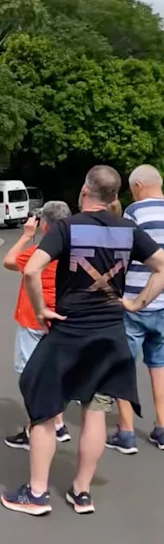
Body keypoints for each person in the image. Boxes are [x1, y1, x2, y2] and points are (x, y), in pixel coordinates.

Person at [1, 165, 164, 517]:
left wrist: (41, 309)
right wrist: (136, 303)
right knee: (95, 412)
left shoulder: (66, 227)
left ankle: (38, 494)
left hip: (69, 333)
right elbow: (162, 266)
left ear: (85, 191)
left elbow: (30, 269)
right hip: (110, 335)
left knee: (45, 407)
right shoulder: (128, 229)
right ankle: (81, 492)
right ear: (115, 196)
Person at [2, 201, 73, 450]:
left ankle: (33, 428)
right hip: (62, 320)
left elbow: (9, 261)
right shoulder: (73, 252)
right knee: (56, 373)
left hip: (33, 319)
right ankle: (58, 423)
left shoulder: (37, 253)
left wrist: (26, 236)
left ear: (45, 225)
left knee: (30, 377)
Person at [107, 164, 164, 454]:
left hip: (133, 301)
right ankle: (162, 428)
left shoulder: (134, 213)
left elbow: (121, 256)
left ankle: (126, 432)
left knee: (123, 365)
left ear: (139, 186)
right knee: (159, 366)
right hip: (163, 303)